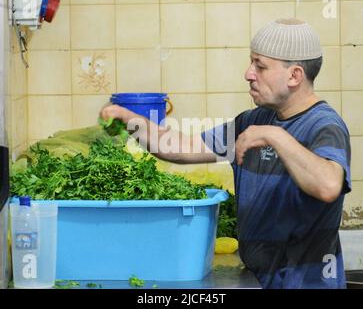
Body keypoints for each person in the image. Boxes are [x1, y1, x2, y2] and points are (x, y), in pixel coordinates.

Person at [100, 18, 351, 289]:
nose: (248, 73)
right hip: (261, 279)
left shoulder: (324, 126)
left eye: (260, 66)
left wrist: (274, 136)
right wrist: (129, 118)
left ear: (294, 76)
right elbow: (180, 147)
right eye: (251, 62)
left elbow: (328, 185)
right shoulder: (254, 119)